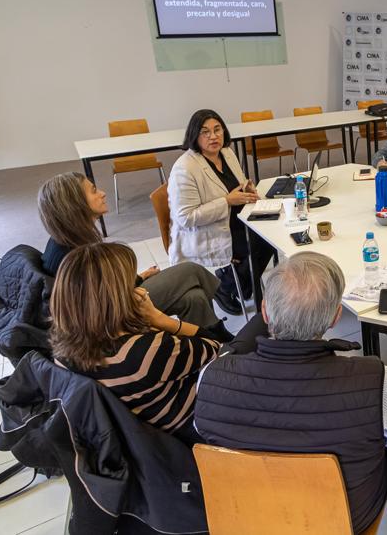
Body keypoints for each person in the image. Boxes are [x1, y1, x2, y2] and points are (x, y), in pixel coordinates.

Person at [195, 252, 387, 535]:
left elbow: (203, 429)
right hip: (346, 519)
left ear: (265, 312)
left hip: (246, 514)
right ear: (336, 317)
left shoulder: (211, 378)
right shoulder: (376, 380)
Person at [49, 242, 219, 443]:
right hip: (194, 424)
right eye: (131, 284)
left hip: (144, 429)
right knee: (253, 334)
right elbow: (215, 346)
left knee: (193, 298)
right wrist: (160, 319)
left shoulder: (62, 350)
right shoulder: (147, 350)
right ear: (117, 298)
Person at [37, 172, 225, 331]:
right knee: (190, 270)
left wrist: (139, 278)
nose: (102, 193)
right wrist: (137, 283)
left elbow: (103, 286)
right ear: (74, 204)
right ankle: (224, 294)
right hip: (112, 317)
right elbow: (101, 303)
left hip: (115, 302)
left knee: (194, 298)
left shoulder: (68, 239)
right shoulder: (72, 254)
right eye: (94, 191)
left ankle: (211, 345)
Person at [167, 109, 273, 315]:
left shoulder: (227, 153)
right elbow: (185, 217)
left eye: (217, 130)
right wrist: (226, 201)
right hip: (208, 230)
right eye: (205, 132)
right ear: (194, 136)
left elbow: (237, 185)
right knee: (260, 241)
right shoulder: (185, 168)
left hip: (238, 219)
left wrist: (246, 189)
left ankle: (237, 282)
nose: (213, 136)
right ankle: (224, 285)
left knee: (271, 235)